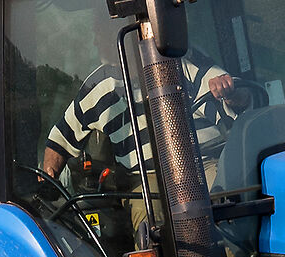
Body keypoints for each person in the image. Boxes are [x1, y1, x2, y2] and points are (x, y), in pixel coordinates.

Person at [38, 19, 240, 189]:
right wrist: (49, 173)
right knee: (149, 226)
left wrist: (229, 92)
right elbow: (61, 139)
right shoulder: (99, 85)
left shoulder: (183, 63)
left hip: (202, 166)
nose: (95, 43)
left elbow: (232, 98)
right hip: (144, 184)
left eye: (99, 34)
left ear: (124, 36)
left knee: (225, 197)